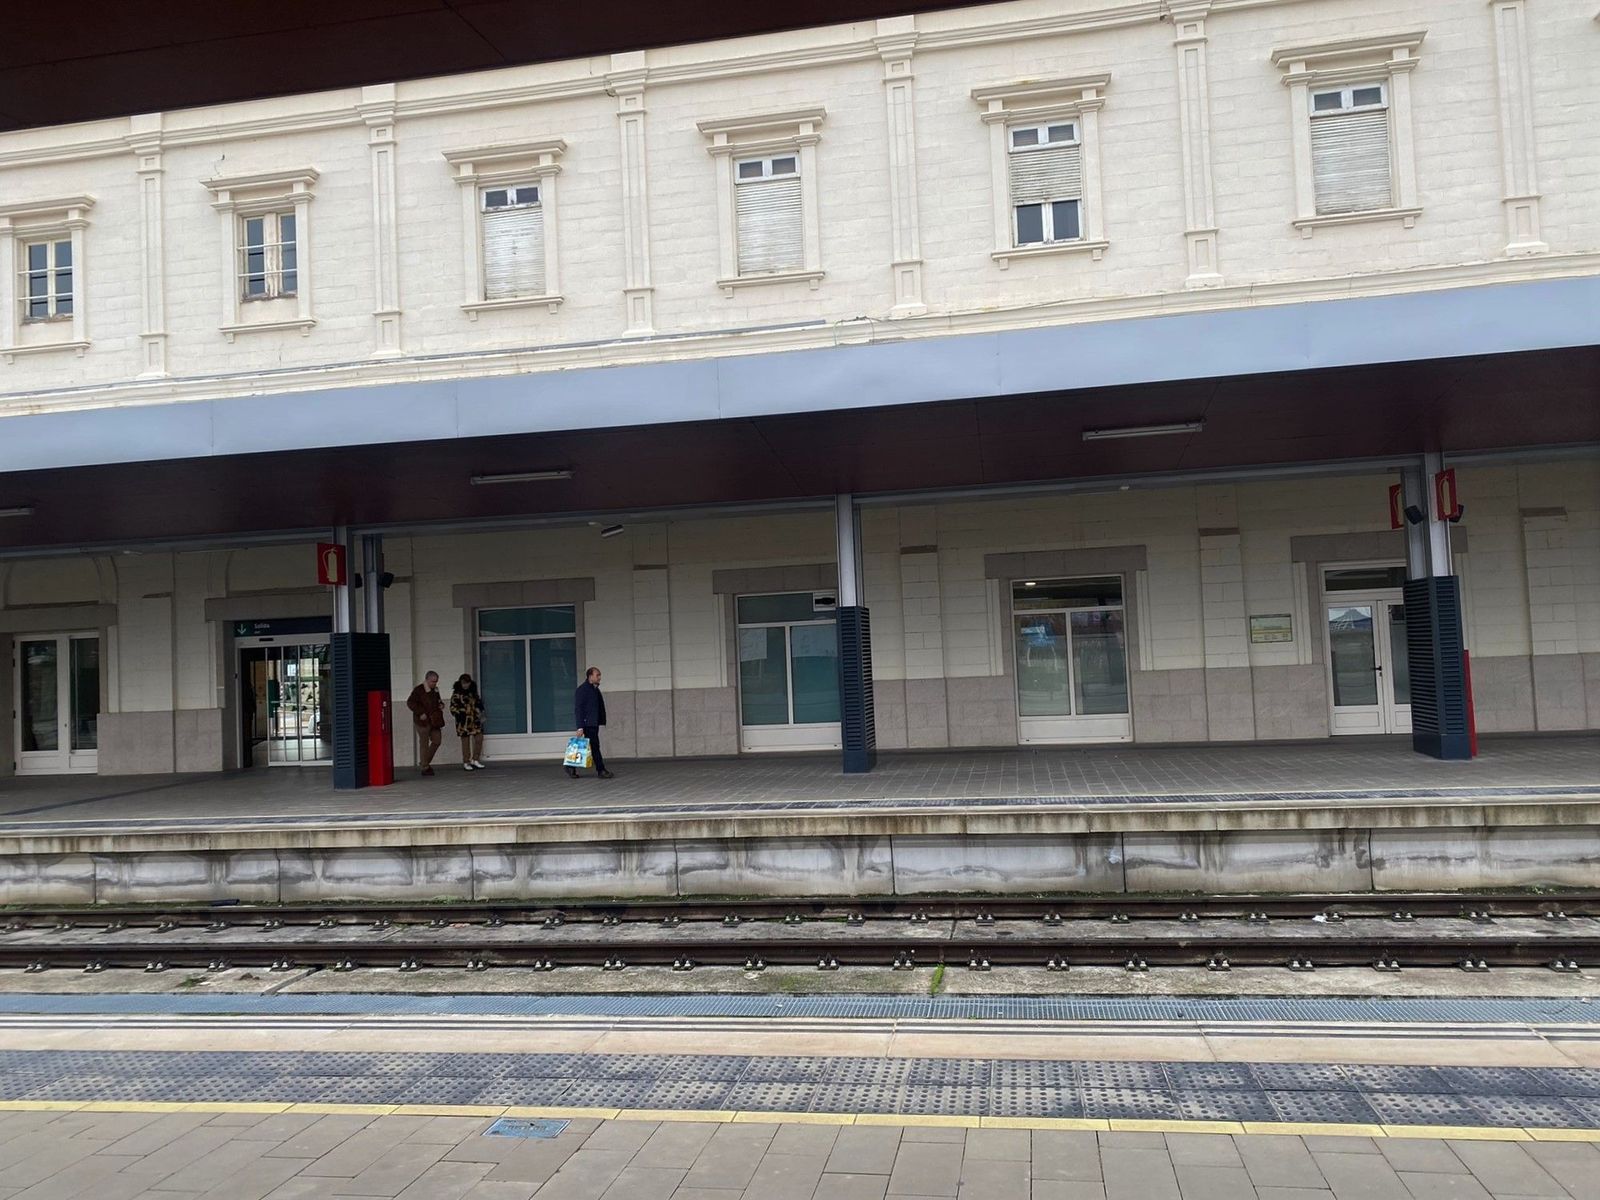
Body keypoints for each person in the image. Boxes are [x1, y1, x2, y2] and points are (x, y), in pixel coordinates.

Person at [569, 666, 613, 779]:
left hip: (593, 723)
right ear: (590, 676)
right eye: (597, 675)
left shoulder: (595, 689)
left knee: (584, 747)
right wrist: (580, 726)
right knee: (594, 747)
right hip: (587, 723)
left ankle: (570, 766)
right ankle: (601, 770)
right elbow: (578, 709)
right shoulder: (582, 690)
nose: (599, 677)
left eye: (599, 675)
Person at [405, 671, 445, 776]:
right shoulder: (419, 690)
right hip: (422, 721)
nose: (435, 684)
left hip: (434, 720)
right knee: (424, 743)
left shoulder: (435, 690)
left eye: (436, 681)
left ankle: (424, 762)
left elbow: (438, 700)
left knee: (437, 741)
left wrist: (441, 704)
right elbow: (410, 702)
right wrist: (420, 712)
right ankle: (425, 767)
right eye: (433, 681)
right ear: (427, 679)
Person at [450, 673, 487, 772]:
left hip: (474, 720)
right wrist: (461, 713)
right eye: (464, 683)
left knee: (479, 738)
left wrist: (481, 712)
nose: (466, 685)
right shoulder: (456, 694)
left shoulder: (473, 693)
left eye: (467, 683)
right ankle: (466, 761)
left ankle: (475, 759)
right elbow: (453, 708)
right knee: (465, 742)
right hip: (463, 722)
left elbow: (479, 703)